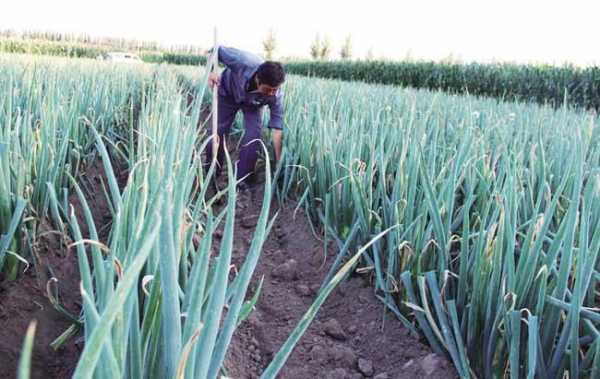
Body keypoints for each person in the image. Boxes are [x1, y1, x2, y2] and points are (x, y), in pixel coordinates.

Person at [205, 45, 285, 191]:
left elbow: (277, 128)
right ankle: (211, 173)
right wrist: (211, 73)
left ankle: (241, 180)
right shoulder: (243, 62)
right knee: (217, 133)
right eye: (268, 89)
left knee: (253, 138)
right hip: (227, 94)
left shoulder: (276, 96)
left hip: (252, 106)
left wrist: (279, 160)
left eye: (276, 89)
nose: (273, 93)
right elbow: (215, 50)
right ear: (258, 79)